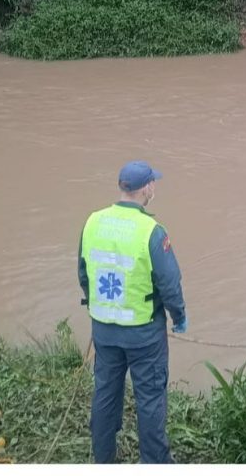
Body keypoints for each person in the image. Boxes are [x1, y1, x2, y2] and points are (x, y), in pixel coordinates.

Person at [79, 161, 186, 464]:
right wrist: (179, 317)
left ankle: (103, 460)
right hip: (143, 333)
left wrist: (97, 306)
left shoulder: (93, 222)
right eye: (154, 183)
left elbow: (83, 273)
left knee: (105, 394)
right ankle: (155, 463)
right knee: (150, 400)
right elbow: (170, 283)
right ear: (147, 188)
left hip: (104, 329)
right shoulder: (151, 231)